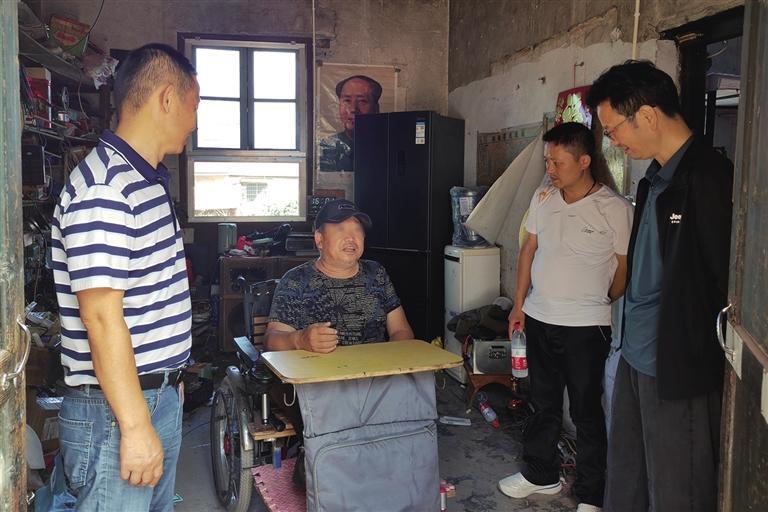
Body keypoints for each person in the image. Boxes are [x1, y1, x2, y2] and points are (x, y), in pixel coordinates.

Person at [51, 43, 199, 511]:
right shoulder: (106, 190)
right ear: (168, 98)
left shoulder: (144, 180)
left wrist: (170, 381)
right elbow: (100, 318)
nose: (194, 121)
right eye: (194, 105)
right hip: (115, 414)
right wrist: (135, 427)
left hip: (153, 395)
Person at [586, 60, 733, 512]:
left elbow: (725, 283)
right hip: (635, 355)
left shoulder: (710, 178)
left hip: (676, 366)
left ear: (647, 116)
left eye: (614, 129)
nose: (613, 141)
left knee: (677, 489)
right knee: (626, 478)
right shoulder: (652, 181)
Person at [498, 122, 633, 512]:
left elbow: (624, 269)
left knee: (586, 411)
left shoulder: (615, 208)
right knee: (542, 402)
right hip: (539, 318)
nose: (550, 169)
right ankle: (541, 474)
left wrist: (603, 298)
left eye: (558, 162)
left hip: (586, 327)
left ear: (584, 161)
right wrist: (519, 306)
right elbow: (528, 250)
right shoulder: (543, 198)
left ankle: (591, 493)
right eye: (548, 161)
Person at [265, 199, 412, 351]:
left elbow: (401, 330)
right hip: (318, 366)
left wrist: (393, 358)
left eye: (357, 229)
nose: (351, 238)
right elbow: (271, 341)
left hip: (376, 364)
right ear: (319, 239)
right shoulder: (296, 279)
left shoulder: (376, 273)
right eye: (340, 229)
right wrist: (300, 340)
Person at [318, 75, 382, 173]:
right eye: (347, 100)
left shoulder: (387, 145)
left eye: (362, 101)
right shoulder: (328, 146)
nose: (353, 109)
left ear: (376, 108)